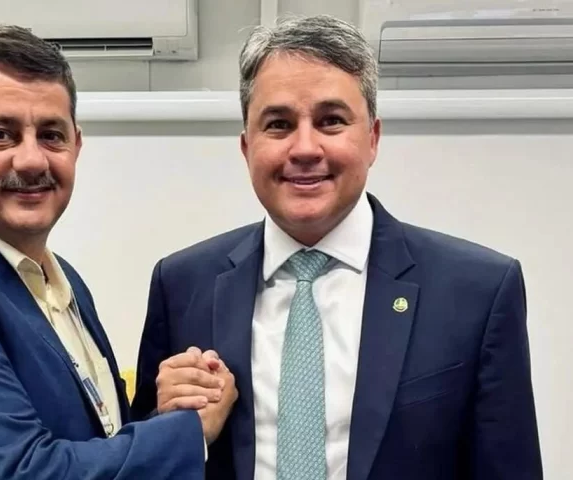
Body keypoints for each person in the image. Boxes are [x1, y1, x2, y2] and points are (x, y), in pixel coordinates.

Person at [131, 14, 543, 480]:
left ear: (372, 139)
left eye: (331, 121)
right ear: (247, 148)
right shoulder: (182, 285)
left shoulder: (478, 292)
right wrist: (167, 422)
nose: (305, 148)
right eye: (279, 124)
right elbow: (143, 459)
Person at [0, 25, 237, 479]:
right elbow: (23, 471)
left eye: (51, 135)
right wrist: (189, 432)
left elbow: (98, 442)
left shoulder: (63, 280)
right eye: (1, 134)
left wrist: (168, 412)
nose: (32, 160)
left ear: (76, 145)